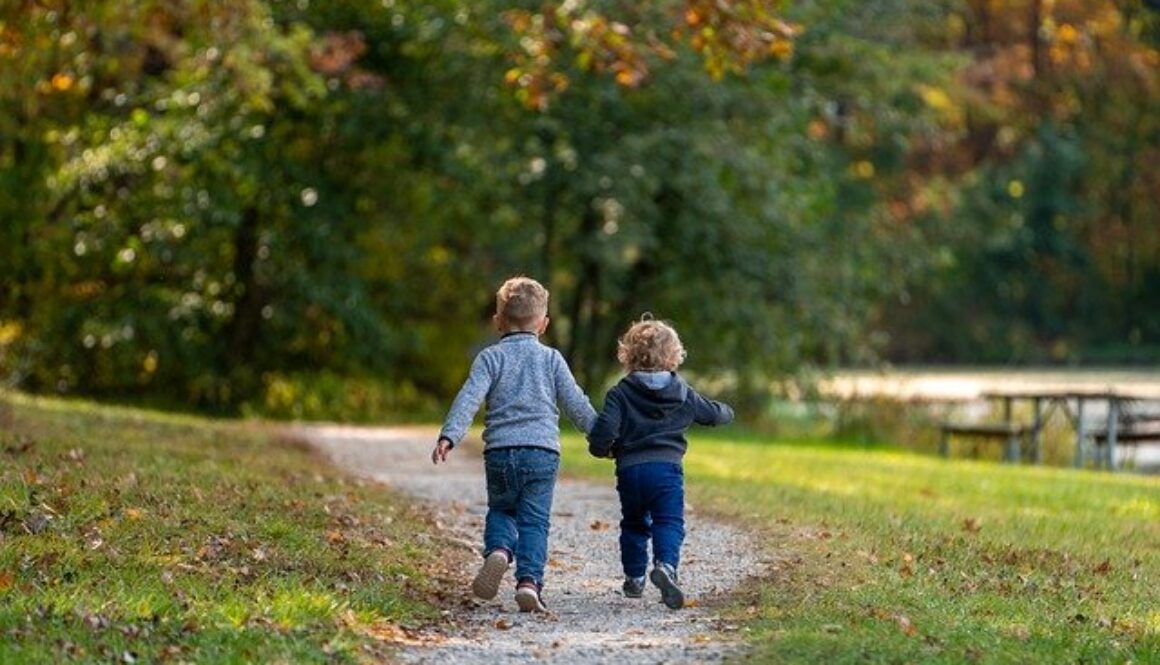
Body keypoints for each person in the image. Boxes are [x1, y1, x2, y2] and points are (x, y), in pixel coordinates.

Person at [432, 276, 597, 613]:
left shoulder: (490, 358)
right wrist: (601, 436)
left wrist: (450, 435)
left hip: (500, 452)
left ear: (498, 322)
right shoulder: (551, 359)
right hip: (542, 453)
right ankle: (529, 583)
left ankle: (499, 551)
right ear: (544, 324)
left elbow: (469, 399)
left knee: (502, 509)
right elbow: (575, 403)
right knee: (534, 521)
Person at [587, 315, 734, 610]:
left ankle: (634, 578)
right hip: (666, 472)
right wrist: (728, 411)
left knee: (633, 523)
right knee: (669, 521)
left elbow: (604, 431)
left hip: (630, 471)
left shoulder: (620, 393)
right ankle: (666, 566)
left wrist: (603, 449)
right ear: (673, 357)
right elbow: (714, 414)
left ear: (628, 356)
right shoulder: (683, 394)